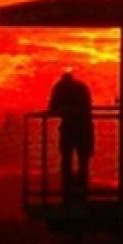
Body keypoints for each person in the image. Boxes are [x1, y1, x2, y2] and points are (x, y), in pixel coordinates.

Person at [48, 71, 93, 201]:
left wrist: (65, 110)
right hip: (83, 128)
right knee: (82, 160)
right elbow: (86, 107)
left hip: (72, 128)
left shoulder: (60, 88)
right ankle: (82, 191)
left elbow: (52, 109)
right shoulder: (81, 88)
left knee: (68, 160)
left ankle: (68, 190)